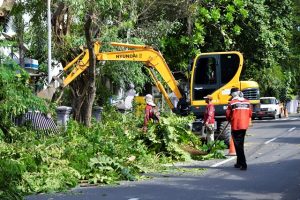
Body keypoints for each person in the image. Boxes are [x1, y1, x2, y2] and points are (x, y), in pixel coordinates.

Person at [226, 87, 252, 170]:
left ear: (233, 94)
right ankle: (238, 163)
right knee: (240, 144)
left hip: (236, 126)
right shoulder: (247, 102)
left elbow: (228, 114)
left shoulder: (232, 103)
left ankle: (243, 164)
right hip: (244, 126)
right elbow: (250, 114)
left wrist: (230, 120)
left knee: (238, 146)